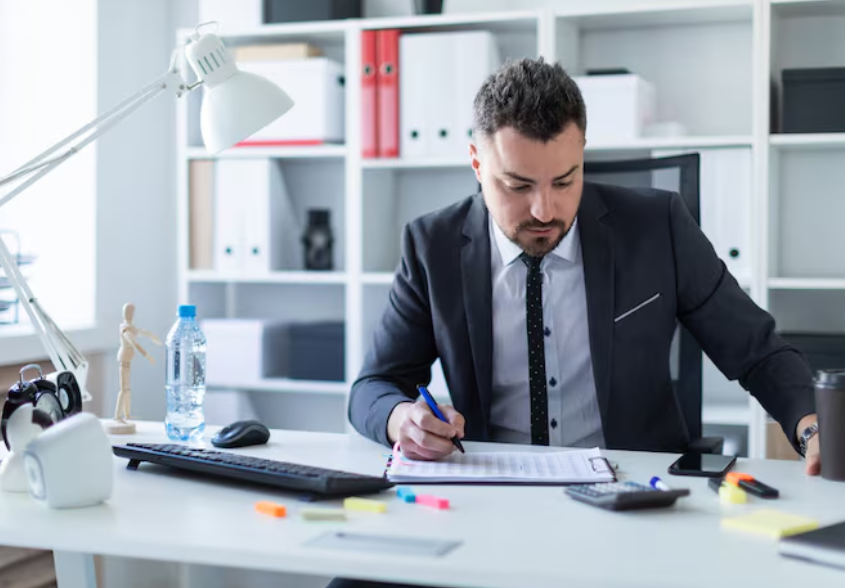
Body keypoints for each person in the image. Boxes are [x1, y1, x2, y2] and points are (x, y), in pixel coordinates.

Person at [333, 58, 821, 587]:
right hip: (489, 500)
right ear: (476, 162)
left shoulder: (658, 229)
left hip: (634, 500)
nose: (545, 209)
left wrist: (814, 427)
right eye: (517, 185)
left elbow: (758, 350)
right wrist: (400, 419)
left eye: (564, 181)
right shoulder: (433, 245)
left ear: (582, 156)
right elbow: (372, 387)